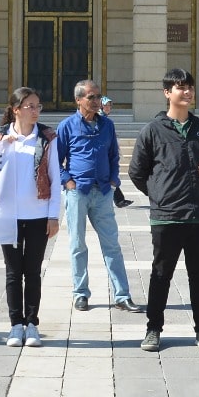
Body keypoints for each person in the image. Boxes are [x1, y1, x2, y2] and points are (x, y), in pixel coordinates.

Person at [129, 68, 199, 353]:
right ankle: (153, 329)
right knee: (161, 274)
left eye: (190, 87)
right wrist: (159, 194)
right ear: (167, 92)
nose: (188, 92)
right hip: (166, 216)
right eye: (181, 87)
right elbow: (136, 172)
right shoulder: (152, 131)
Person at [56, 79, 140, 314]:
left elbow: (114, 154)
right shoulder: (67, 126)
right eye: (91, 97)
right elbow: (56, 159)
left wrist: (114, 178)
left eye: (98, 97)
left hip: (102, 191)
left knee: (112, 244)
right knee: (77, 244)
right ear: (78, 100)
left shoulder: (107, 125)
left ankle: (122, 295)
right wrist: (68, 181)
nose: (96, 102)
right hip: (78, 192)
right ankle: (81, 293)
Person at [0, 87, 60, 347]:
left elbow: (55, 178)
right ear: (16, 109)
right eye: (30, 106)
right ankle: (15, 325)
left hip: (37, 215)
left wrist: (53, 216)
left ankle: (32, 324)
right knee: (13, 272)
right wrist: (0, 148)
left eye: (38, 106)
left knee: (32, 272)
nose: (36, 111)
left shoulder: (46, 138)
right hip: (7, 216)